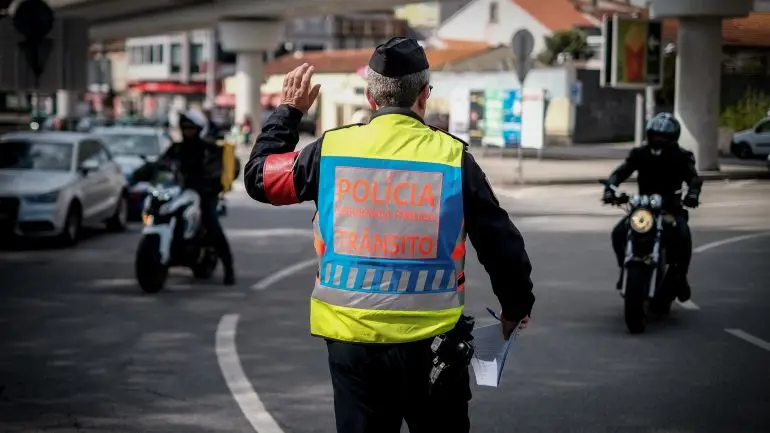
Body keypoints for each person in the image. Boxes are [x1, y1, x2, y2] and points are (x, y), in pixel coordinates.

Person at [243, 37, 535, 433]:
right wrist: (515, 308)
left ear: (370, 96)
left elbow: (261, 179)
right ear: (424, 95)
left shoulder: (331, 150)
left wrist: (289, 112)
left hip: (352, 344)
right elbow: (502, 245)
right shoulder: (452, 158)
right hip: (433, 347)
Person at [603, 112, 702, 302]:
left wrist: (692, 194)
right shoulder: (640, 154)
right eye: (655, 135)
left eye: (663, 136)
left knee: (683, 235)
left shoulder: (682, 156)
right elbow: (621, 172)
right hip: (643, 209)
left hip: (670, 209)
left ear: (672, 138)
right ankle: (625, 268)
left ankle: (679, 277)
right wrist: (611, 187)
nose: (658, 139)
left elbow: (693, 179)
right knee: (618, 233)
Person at [158, 109, 236, 285]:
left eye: (191, 128)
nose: (188, 131)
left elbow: (216, 169)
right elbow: (162, 163)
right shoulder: (176, 148)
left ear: (199, 129)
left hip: (204, 194)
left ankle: (229, 269)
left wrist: (210, 181)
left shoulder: (208, 149)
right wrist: (146, 171)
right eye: (185, 128)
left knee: (212, 226)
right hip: (179, 192)